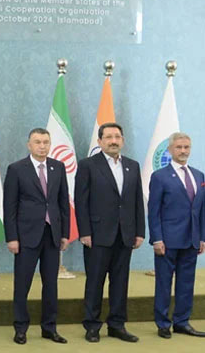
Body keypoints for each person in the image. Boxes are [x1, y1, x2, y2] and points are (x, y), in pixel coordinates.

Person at [75, 122, 144, 343]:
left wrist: (140, 231)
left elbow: (136, 202)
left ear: (122, 140)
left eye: (117, 137)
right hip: (97, 234)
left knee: (120, 282)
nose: (113, 141)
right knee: (95, 282)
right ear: (100, 141)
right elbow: (81, 201)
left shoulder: (132, 166)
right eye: (108, 137)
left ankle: (117, 325)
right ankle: (92, 326)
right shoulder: (87, 165)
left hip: (125, 234)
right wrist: (84, 231)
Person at [3, 128, 69, 345]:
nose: (42, 146)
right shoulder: (16, 169)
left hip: (52, 235)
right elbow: (9, 206)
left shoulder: (58, 167)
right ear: (29, 145)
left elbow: (62, 203)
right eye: (38, 142)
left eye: (46, 142)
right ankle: (20, 327)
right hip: (25, 236)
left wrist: (65, 233)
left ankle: (49, 327)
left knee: (51, 284)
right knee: (22, 284)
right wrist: (11, 237)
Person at [147, 132, 205, 338]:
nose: (183, 151)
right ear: (170, 150)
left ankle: (182, 321)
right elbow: (153, 210)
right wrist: (157, 238)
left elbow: (202, 210)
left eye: (186, 147)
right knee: (163, 283)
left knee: (186, 284)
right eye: (179, 147)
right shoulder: (160, 176)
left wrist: (202, 237)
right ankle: (163, 323)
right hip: (167, 240)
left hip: (191, 240)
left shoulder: (199, 176)